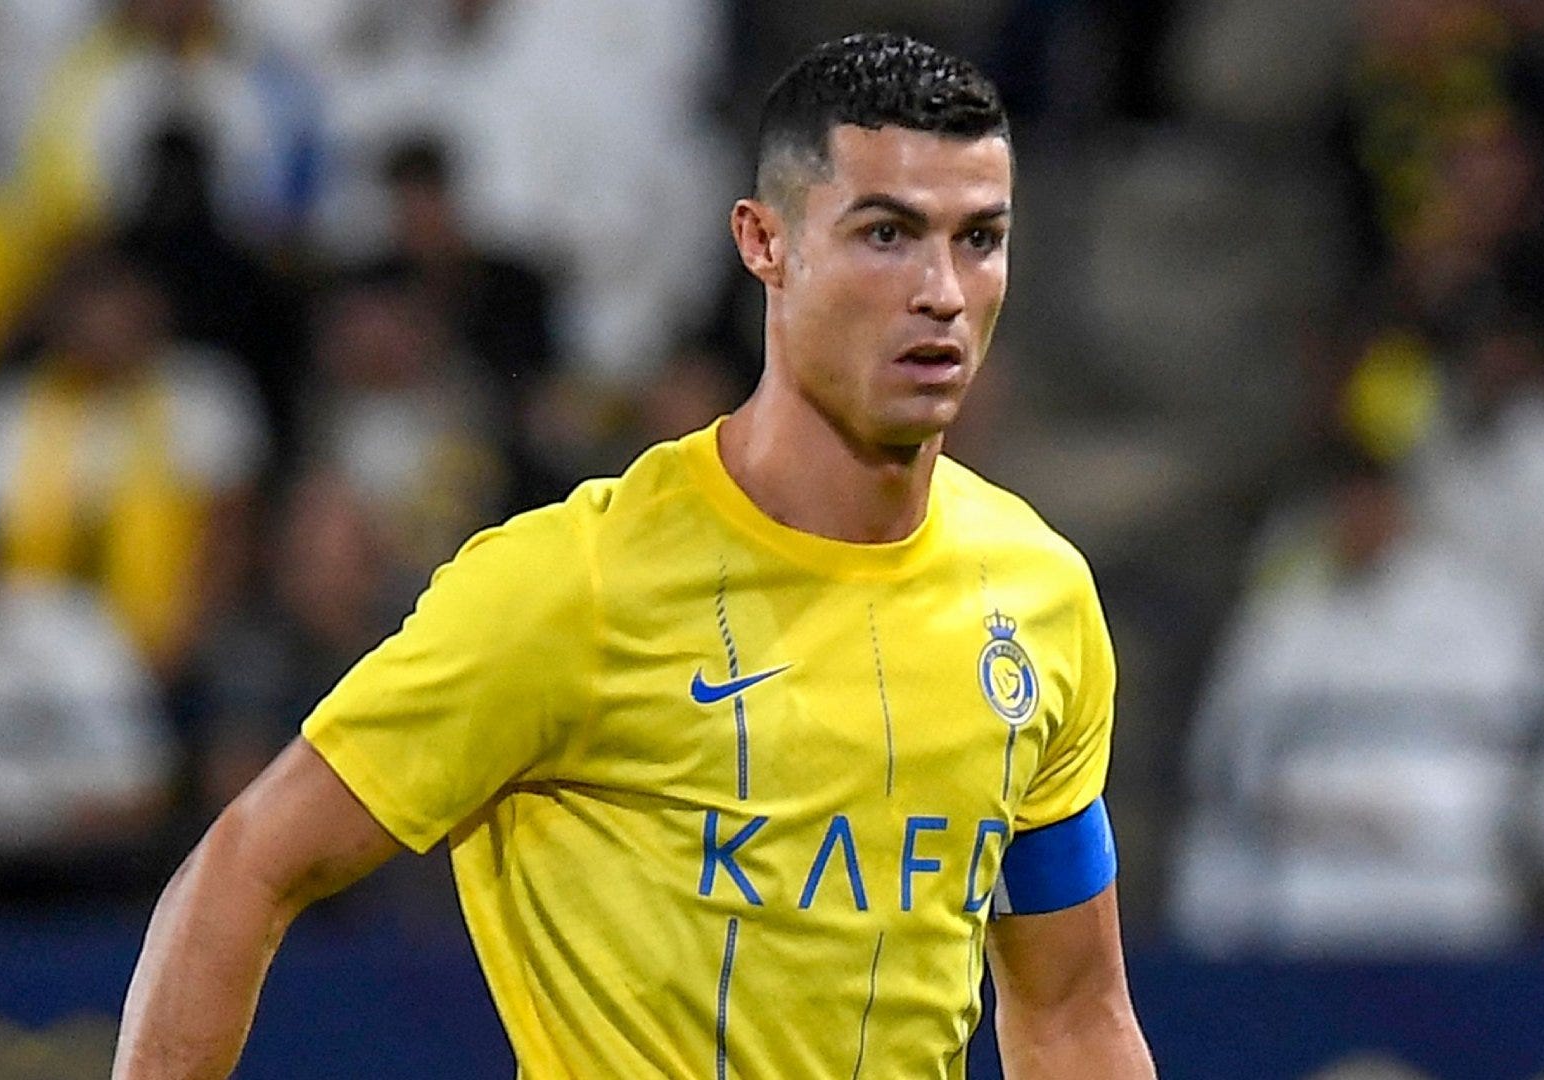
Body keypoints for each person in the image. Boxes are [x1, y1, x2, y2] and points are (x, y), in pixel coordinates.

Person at [113, 32, 1156, 1079]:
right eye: (886, 233)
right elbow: (247, 868)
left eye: (980, 238)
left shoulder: (1037, 595)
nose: (941, 290)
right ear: (764, 242)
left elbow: (1070, 1010)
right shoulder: (576, 583)